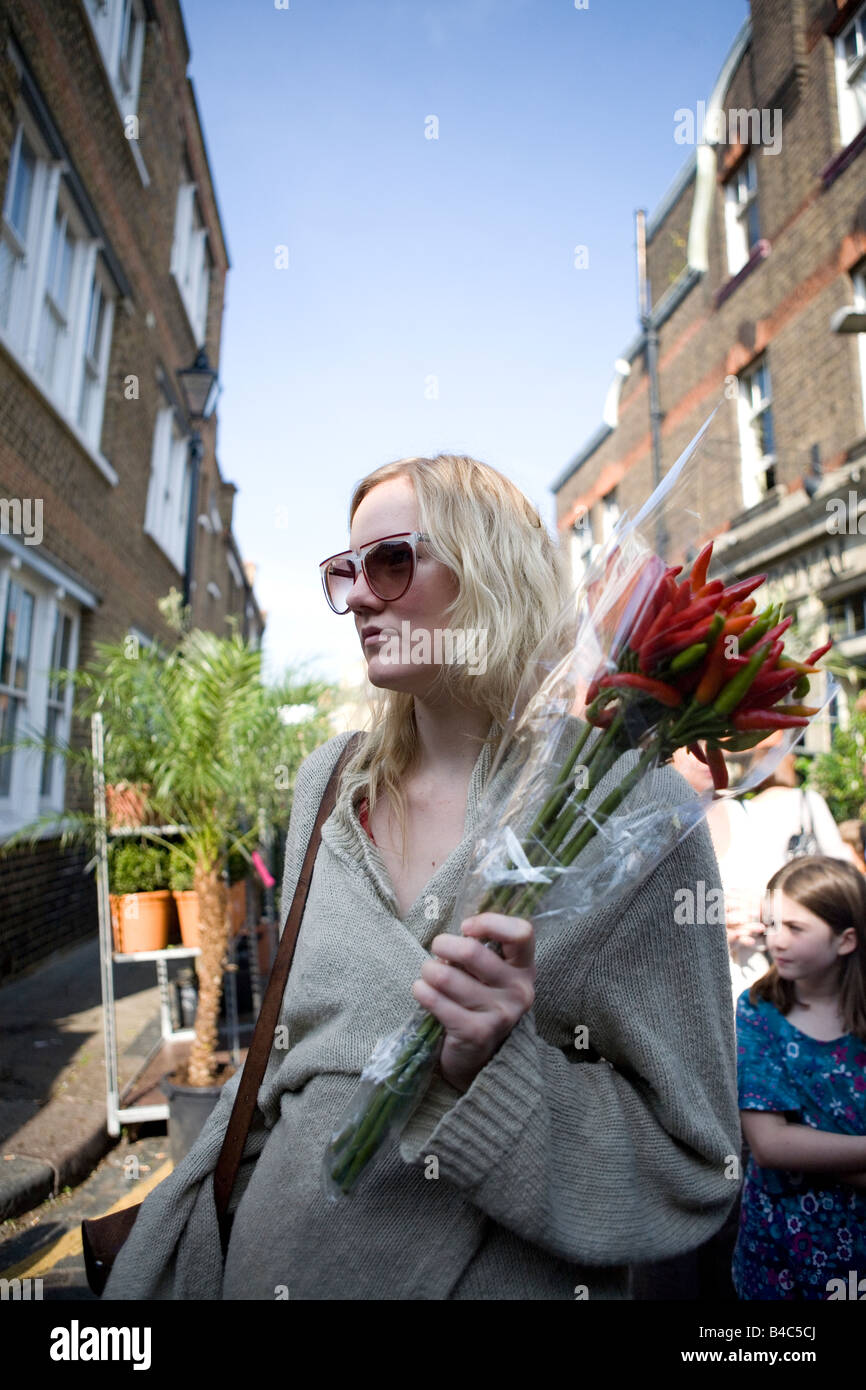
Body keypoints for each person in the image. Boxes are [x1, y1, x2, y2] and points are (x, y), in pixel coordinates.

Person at [102, 452, 740, 1300]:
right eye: (345, 571)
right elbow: (280, 1066)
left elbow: (695, 1159)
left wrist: (492, 1074)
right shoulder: (328, 785)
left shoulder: (627, 808)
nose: (359, 596)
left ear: (491, 573)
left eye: (392, 562)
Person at [732, 855, 866, 1300]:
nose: (775, 940)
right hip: (781, 1249)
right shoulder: (758, 1011)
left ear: (845, 940)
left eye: (795, 928)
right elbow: (771, 1145)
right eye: (771, 924)